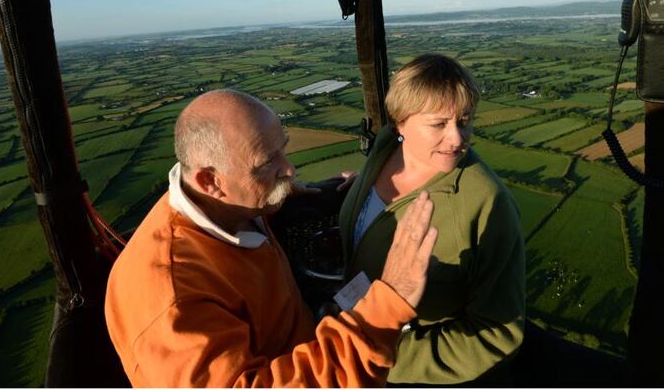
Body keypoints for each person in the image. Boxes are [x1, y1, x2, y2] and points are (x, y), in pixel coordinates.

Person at [104, 89, 440, 387]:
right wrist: (388, 303)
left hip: (310, 344)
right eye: (267, 162)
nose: (290, 169)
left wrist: (289, 194)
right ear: (210, 181)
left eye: (283, 149)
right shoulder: (172, 297)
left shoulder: (228, 203)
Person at [338, 54, 526, 385]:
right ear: (400, 123)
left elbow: (496, 335)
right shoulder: (384, 148)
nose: (457, 138)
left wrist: (379, 356)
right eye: (439, 124)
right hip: (345, 330)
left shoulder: (487, 204)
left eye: (465, 121)